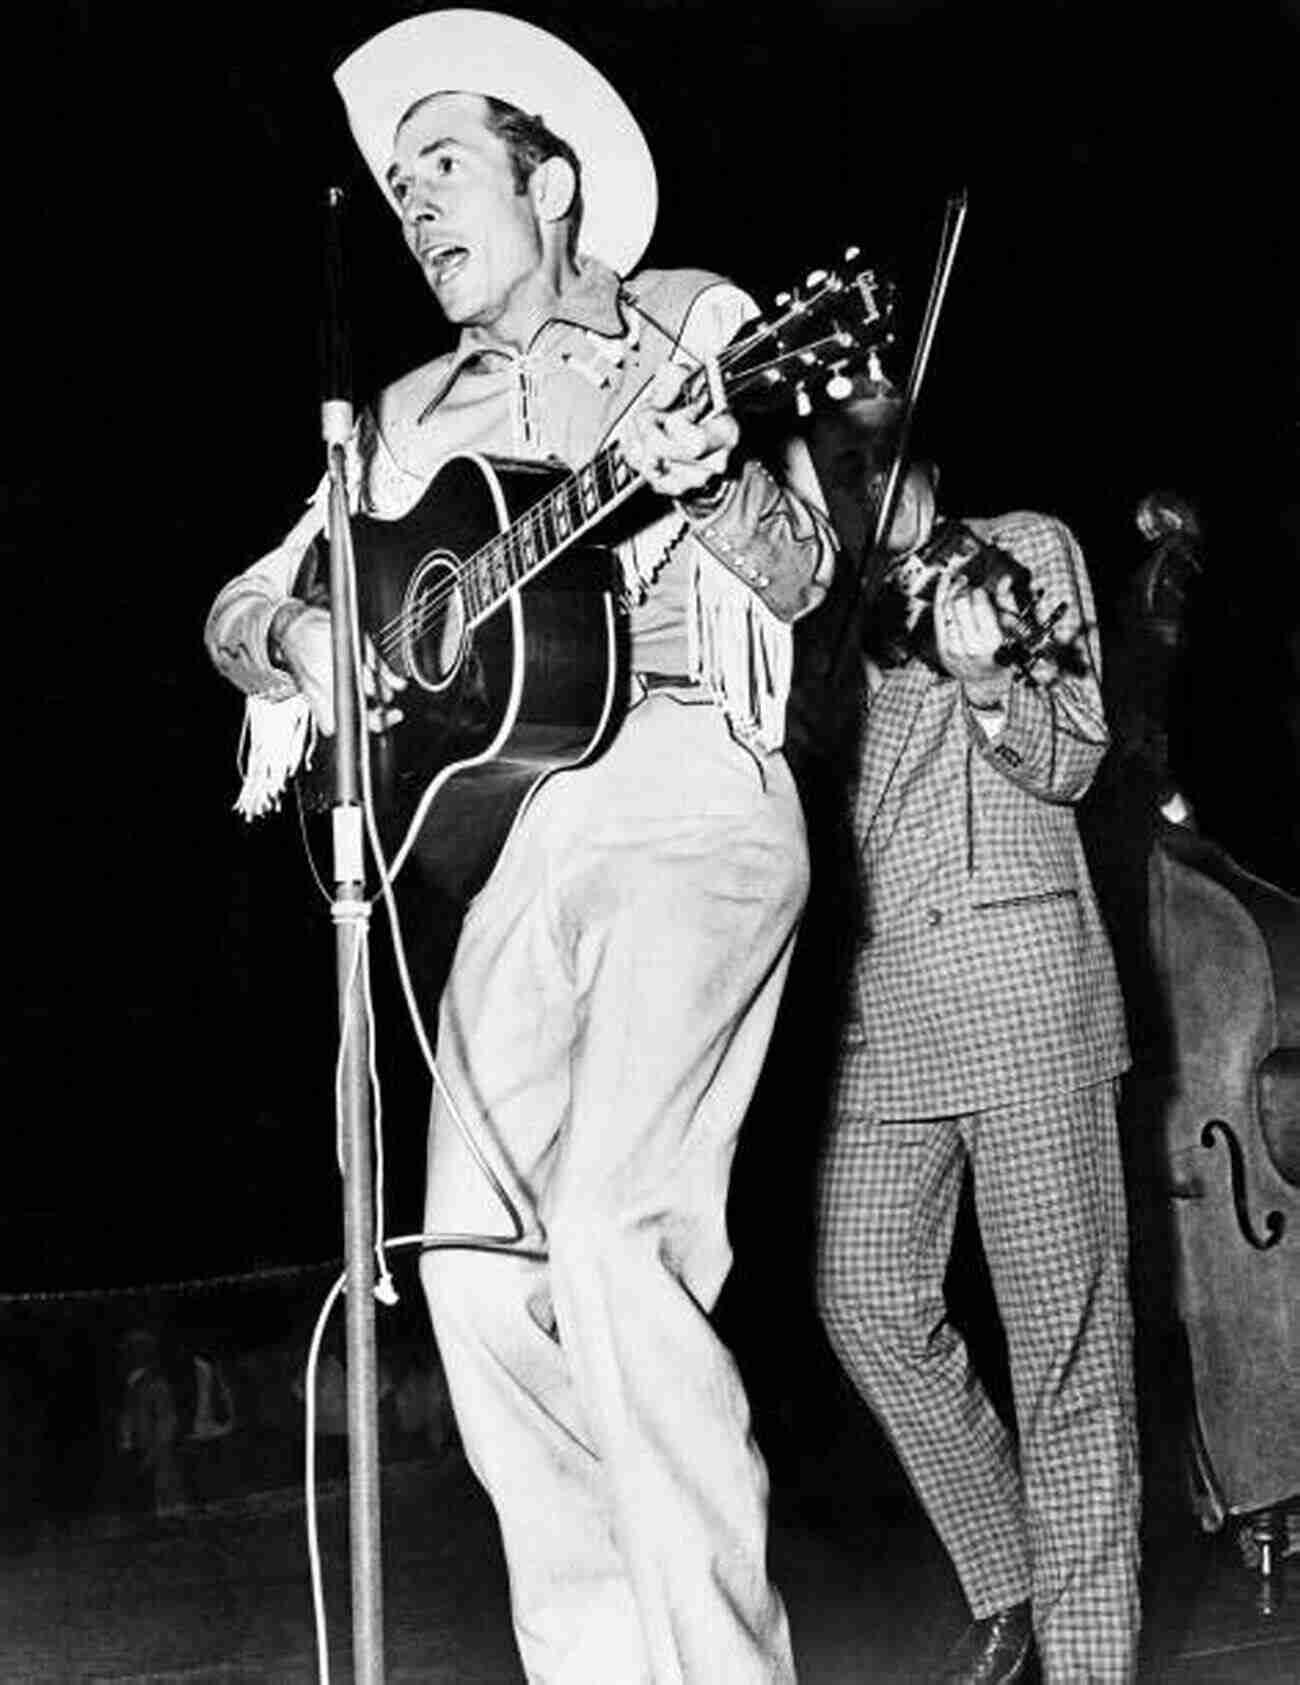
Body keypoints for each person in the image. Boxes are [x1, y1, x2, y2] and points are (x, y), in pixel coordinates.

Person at [204, 12, 836, 1683]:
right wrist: (299, 647)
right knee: (478, 1283)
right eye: (398, 197)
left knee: (616, 1239)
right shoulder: (409, 414)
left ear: (549, 181)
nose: (416, 219)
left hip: (697, 802)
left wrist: (706, 479)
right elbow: (243, 611)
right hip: (524, 832)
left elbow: (800, 576)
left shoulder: (691, 323)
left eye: (444, 175)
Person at [815, 462, 1141, 1682]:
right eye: (821, 466)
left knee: (1067, 1352)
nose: (855, 485)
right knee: (863, 1295)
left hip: (1021, 995)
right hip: (876, 1015)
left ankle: (1090, 1662)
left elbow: (1074, 757)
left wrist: (991, 683)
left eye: (872, 452)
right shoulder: (813, 611)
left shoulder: (1021, 546)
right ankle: (1015, 1577)